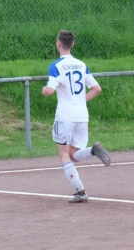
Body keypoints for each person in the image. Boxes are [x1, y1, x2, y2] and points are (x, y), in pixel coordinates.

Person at [41, 30, 112, 203]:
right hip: (81, 115)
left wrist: (44, 90)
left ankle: (80, 191)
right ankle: (93, 150)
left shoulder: (56, 66)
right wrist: (80, 101)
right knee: (74, 154)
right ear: (72, 44)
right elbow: (97, 89)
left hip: (65, 115)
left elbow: (49, 91)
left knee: (64, 154)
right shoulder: (81, 64)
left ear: (58, 44)